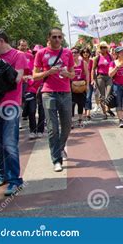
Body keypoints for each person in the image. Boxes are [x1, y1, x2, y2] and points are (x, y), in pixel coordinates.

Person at [33, 28, 75, 172]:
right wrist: (49, 72)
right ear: (49, 38)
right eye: (54, 37)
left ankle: (60, 147)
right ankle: (56, 160)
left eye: (59, 37)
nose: (57, 40)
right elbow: (35, 75)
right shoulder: (41, 53)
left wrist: (66, 73)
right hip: (48, 93)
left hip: (66, 93)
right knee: (52, 128)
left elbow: (73, 74)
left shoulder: (68, 53)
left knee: (67, 125)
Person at [0, 29, 28, 196]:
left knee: (9, 143)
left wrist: (2, 65)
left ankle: (15, 180)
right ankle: (2, 174)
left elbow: (17, 79)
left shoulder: (18, 55)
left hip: (10, 104)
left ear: (1, 41)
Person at [24, 44, 45, 139]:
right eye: (35, 52)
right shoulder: (29, 61)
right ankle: (32, 130)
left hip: (43, 88)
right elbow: (24, 75)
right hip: (31, 89)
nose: (37, 54)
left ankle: (40, 130)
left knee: (42, 110)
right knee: (31, 110)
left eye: (39, 52)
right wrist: (27, 78)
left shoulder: (46, 63)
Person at [92, 41, 115, 119]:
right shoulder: (97, 58)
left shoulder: (110, 56)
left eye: (104, 47)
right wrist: (93, 79)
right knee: (102, 96)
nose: (103, 49)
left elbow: (114, 65)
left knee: (108, 95)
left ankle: (108, 108)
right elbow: (93, 69)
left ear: (107, 48)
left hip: (109, 77)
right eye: (101, 47)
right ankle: (104, 113)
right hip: (100, 77)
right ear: (99, 48)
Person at [71, 47, 89, 128]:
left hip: (81, 86)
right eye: (72, 52)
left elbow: (87, 74)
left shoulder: (83, 62)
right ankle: (71, 121)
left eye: (75, 52)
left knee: (81, 103)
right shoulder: (69, 63)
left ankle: (80, 120)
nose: (74, 54)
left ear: (78, 54)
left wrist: (88, 85)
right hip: (72, 86)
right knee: (71, 104)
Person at [81, 48, 94, 121]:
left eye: (87, 52)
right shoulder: (80, 61)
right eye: (84, 52)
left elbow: (92, 71)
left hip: (89, 82)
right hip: (82, 83)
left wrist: (92, 80)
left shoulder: (91, 61)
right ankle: (84, 112)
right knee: (83, 98)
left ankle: (88, 113)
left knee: (88, 98)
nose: (85, 53)